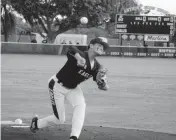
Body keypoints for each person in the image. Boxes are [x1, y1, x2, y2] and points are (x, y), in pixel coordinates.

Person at [30, 37, 110, 140]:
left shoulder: (97, 67)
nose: (101, 47)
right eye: (99, 44)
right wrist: (78, 58)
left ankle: (74, 137)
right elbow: (71, 49)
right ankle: (36, 124)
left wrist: (102, 83)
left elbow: (104, 88)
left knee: (81, 106)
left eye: (103, 47)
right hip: (57, 86)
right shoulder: (81, 55)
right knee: (59, 119)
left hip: (73, 88)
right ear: (91, 45)